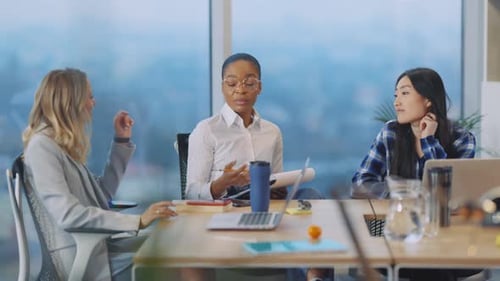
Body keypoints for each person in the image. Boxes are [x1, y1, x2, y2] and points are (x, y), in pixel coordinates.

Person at [22, 68, 177, 281]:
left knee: (170, 244)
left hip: (99, 248)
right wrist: (139, 221)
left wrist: (121, 142)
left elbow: (102, 196)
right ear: (71, 102)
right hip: (82, 256)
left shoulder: (58, 145)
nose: (93, 103)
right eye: (89, 96)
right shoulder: (42, 147)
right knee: (172, 260)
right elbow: (69, 215)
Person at [352, 67, 480, 281]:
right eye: (396, 95)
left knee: (428, 259)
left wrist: (428, 140)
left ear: (428, 99)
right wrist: (406, 197)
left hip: (446, 233)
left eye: (404, 93)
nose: (396, 102)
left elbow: (450, 193)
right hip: (395, 227)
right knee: (427, 261)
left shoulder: (461, 138)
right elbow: (361, 184)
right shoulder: (390, 132)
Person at [186, 52, 288, 200]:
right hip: (223, 214)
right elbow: (191, 193)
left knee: (309, 194)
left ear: (259, 87)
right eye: (232, 84)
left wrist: (279, 189)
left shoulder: (272, 132)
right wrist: (221, 184)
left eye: (249, 84)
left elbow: (278, 182)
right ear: (222, 88)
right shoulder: (206, 130)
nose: (240, 90)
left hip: (262, 210)